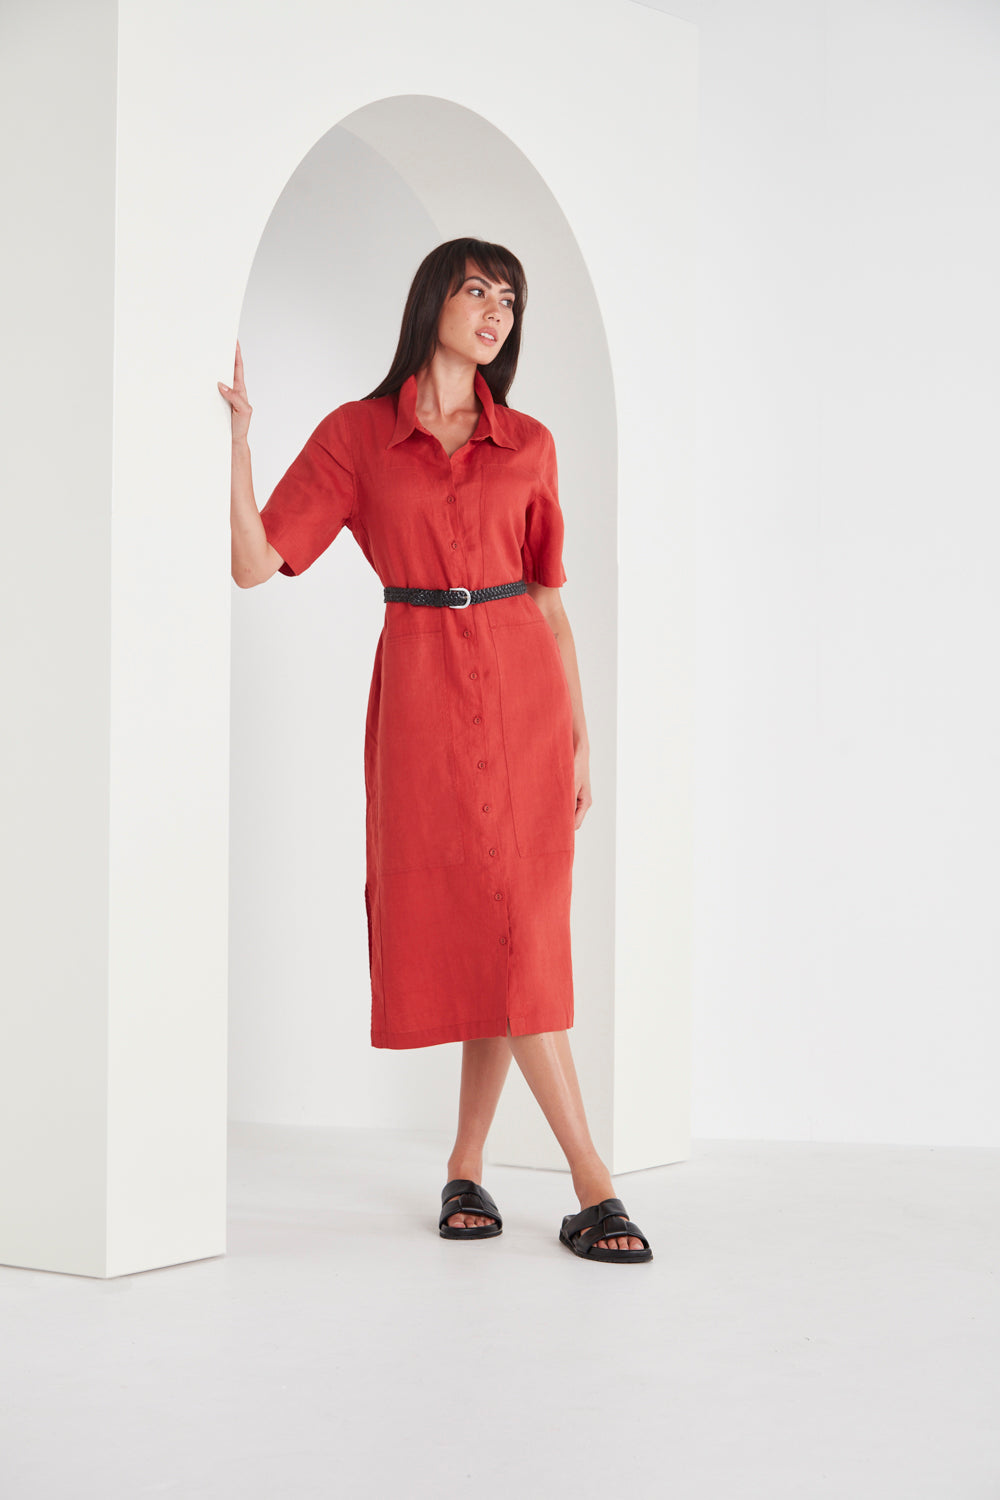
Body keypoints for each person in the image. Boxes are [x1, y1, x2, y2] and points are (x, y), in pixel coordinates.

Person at [219, 237, 652, 1264]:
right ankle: (481, 1167)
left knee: (520, 939)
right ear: (432, 302)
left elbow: (550, 600)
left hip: (524, 693)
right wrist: (237, 443)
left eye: (511, 300)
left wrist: (580, 736)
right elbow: (254, 562)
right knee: (481, 933)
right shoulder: (357, 435)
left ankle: (584, 1184)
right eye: (477, 291)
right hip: (420, 689)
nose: (497, 312)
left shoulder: (531, 443)